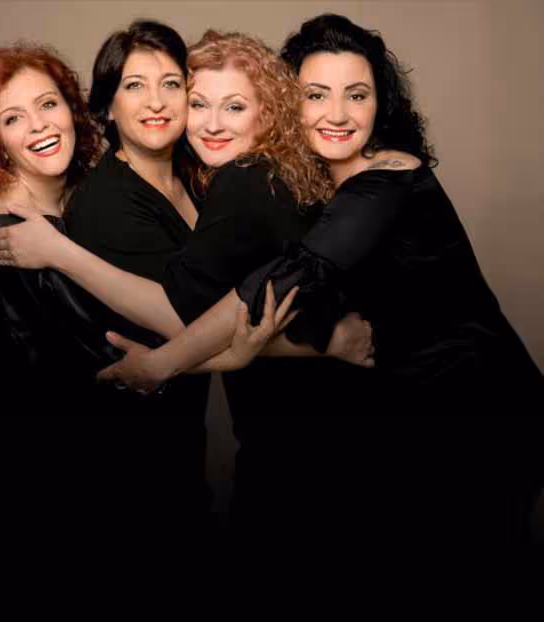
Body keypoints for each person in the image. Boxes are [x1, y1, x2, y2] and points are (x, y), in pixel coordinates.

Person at [107, 15, 544, 557]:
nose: (337, 114)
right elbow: (290, 304)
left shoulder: (386, 177)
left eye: (356, 95)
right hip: (408, 422)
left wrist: (162, 365)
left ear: (381, 104)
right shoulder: (303, 179)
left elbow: (288, 277)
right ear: (289, 102)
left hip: (478, 412)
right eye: (316, 94)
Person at [0, 29, 375, 519]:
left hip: (301, 422)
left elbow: (214, 304)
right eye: (134, 86)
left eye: (171, 84)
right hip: (136, 450)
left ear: (267, 112)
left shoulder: (211, 174)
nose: (157, 102)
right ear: (105, 108)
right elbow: (182, 316)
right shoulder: (111, 203)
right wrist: (324, 341)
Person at [0, 41, 219, 545]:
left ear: (73, 110)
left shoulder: (65, 211)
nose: (39, 125)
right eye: (12, 118)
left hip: (14, 455)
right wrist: (235, 344)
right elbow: (115, 366)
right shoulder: (8, 238)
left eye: (48, 104)